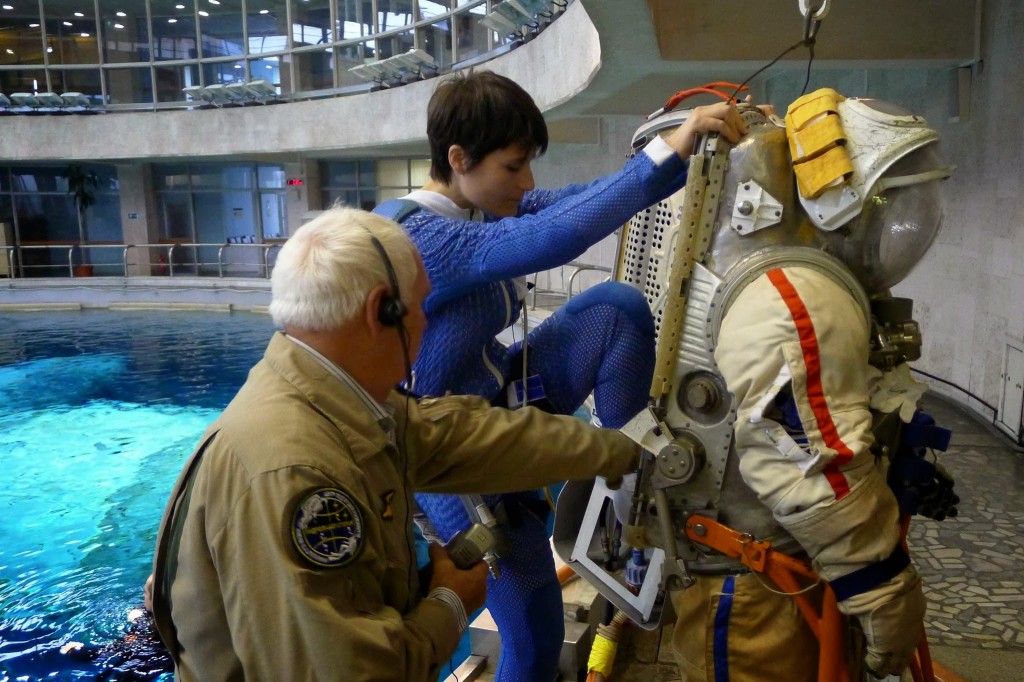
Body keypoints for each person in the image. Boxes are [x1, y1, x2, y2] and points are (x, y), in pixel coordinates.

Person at [149, 206, 644, 682]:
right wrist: (450, 601)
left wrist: (624, 452)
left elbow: (472, 438)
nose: (427, 324)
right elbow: (357, 674)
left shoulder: (341, 403)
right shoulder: (296, 478)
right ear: (379, 311)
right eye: (422, 307)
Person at [557, 88, 955, 680]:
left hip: (767, 568)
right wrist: (883, 593)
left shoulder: (781, 282)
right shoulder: (793, 301)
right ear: (843, 201)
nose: (901, 230)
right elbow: (810, 468)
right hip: (755, 590)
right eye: (892, 208)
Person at [373, 70, 749, 681]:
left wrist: (688, 155)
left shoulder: (483, 204)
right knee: (533, 624)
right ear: (458, 158)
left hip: (498, 401)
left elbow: (579, 200)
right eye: (513, 167)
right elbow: (553, 236)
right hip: (447, 454)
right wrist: (671, 147)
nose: (526, 184)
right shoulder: (421, 235)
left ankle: (629, 497)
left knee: (616, 309)